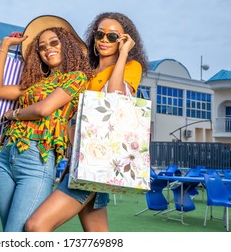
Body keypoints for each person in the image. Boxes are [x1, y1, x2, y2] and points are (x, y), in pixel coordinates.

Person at [25, 12, 149, 232]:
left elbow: (113, 97)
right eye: (99, 34)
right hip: (78, 160)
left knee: (36, 226)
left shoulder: (131, 66)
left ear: (124, 40)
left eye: (112, 36)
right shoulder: (85, 72)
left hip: (98, 161)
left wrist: (123, 55)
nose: (103, 40)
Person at [0, 15, 94, 232]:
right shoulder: (36, 83)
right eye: (42, 47)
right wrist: (5, 46)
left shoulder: (77, 78)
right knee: (9, 232)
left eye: (54, 43)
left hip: (37, 158)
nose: (48, 49)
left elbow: (43, 109)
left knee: (16, 235)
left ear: (68, 46)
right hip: (7, 157)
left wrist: (12, 114)